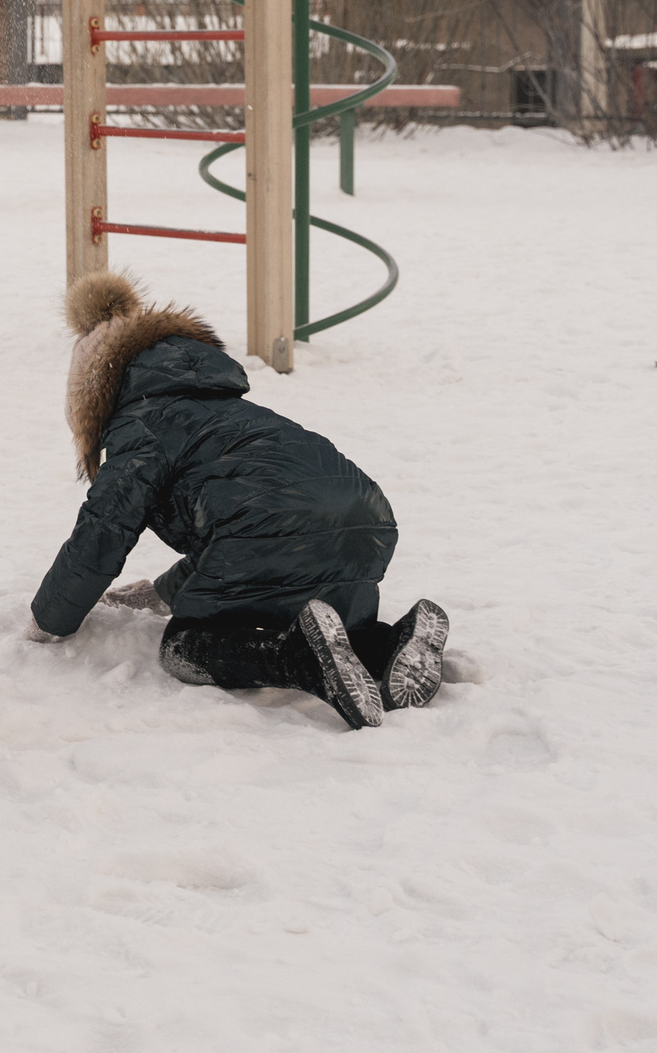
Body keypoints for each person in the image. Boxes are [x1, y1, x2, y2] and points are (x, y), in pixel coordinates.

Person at [23, 271, 449, 730]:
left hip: (271, 530)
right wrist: (163, 591)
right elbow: (236, 523)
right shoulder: (236, 413)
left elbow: (102, 531)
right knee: (317, 615)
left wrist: (49, 620)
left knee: (185, 646)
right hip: (366, 522)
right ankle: (390, 644)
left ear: (96, 397)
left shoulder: (140, 430)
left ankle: (296, 660)